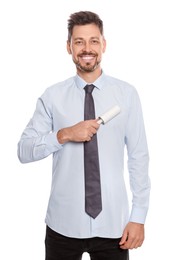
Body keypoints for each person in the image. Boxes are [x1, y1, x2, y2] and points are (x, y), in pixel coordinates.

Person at [17, 11, 150, 260]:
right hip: (63, 225)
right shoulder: (52, 97)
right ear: (69, 47)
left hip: (114, 226)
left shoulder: (126, 95)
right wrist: (64, 134)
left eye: (93, 40)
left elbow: (138, 158)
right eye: (79, 41)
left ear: (104, 45)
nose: (86, 48)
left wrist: (138, 217)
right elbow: (24, 150)